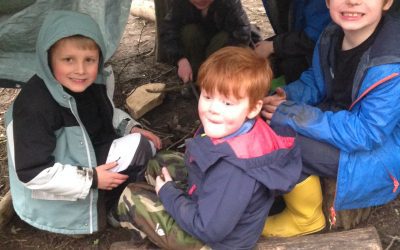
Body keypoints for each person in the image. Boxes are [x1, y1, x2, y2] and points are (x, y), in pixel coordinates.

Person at [112, 46, 302, 249]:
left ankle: (145, 237)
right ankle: (157, 216)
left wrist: (169, 194)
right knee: (160, 162)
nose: (213, 109)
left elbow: (207, 228)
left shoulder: (234, 171)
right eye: (208, 96)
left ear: (254, 108)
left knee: (132, 196)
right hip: (214, 202)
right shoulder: (241, 127)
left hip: (216, 242)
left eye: (227, 103)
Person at [4, 10, 162, 235]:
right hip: (59, 195)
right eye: (68, 60)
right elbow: (33, 173)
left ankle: (118, 194)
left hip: (84, 153)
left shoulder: (92, 82)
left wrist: (131, 127)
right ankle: (112, 208)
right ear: (48, 57)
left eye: (89, 60)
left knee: (146, 145)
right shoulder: (34, 106)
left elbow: (107, 113)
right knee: (141, 149)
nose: (80, 70)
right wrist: (92, 178)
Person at [261, 0, 399, 237]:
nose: (352, 1)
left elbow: (366, 133)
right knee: (264, 123)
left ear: (386, 3)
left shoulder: (392, 63)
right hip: (340, 121)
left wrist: (293, 113)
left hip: (379, 153)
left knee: (284, 138)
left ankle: (305, 218)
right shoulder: (331, 35)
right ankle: (270, 192)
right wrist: (285, 96)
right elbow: (315, 82)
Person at [160, 0, 254, 85]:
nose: (200, 1)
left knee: (225, 38)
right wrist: (180, 60)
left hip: (219, 46)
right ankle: (193, 77)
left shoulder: (229, 2)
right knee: (189, 32)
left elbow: (242, 33)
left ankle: (215, 79)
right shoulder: (180, 3)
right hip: (197, 44)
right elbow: (168, 31)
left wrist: (223, 64)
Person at [255, 0, 331, 83]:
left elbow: (314, 37)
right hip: (298, 36)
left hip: (317, 55)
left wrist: (273, 46)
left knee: (289, 65)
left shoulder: (319, 4)